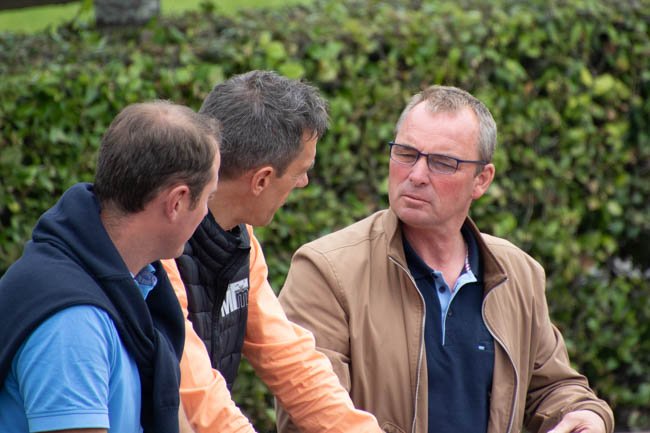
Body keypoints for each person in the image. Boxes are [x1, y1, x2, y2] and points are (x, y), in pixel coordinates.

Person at [277, 85, 615, 433]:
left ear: (481, 180)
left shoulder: (517, 274)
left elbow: (553, 387)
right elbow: (312, 413)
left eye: (442, 163)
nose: (416, 175)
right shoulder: (326, 270)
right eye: (406, 154)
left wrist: (585, 415)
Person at [161, 70, 383, 433]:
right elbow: (196, 395)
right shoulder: (160, 247)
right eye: (301, 172)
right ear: (262, 179)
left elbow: (292, 362)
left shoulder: (239, 240)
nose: (304, 182)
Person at [0, 100, 221, 433]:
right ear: (177, 202)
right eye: (207, 198)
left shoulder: (137, 283)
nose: (206, 213)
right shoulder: (73, 323)